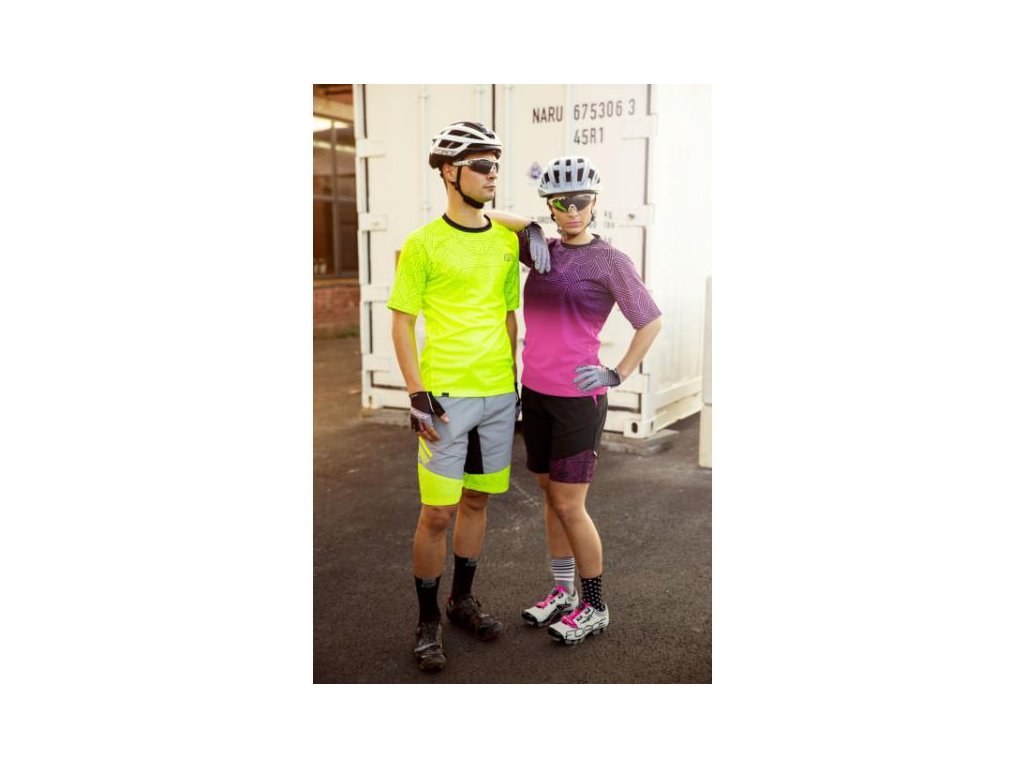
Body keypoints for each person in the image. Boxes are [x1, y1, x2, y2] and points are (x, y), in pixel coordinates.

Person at [387, 120, 550, 672]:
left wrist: (514, 384)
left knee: (478, 502)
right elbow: (402, 322)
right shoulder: (422, 244)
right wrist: (416, 392)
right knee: (437, 512)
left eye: (496, 165)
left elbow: (509, 317)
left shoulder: (505, 243)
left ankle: (462, 600)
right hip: (446, 398)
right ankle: (427, 619)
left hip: (498, 395)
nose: (492, 174)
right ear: (449, 172)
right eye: (481, 165)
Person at [515, 155, 663, 645]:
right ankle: (563, 591)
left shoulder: (609, 261)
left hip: (578, 400)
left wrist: (618, 372)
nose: (572, 210)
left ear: (595, 202)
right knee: (550, 496)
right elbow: (484, 215)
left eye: (580, 200)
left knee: (569, 502)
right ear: (550, 206)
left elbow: (650, 320)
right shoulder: (542, 250)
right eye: (560, 203)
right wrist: (531, 229)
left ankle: (595, 605)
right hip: (535, 392)